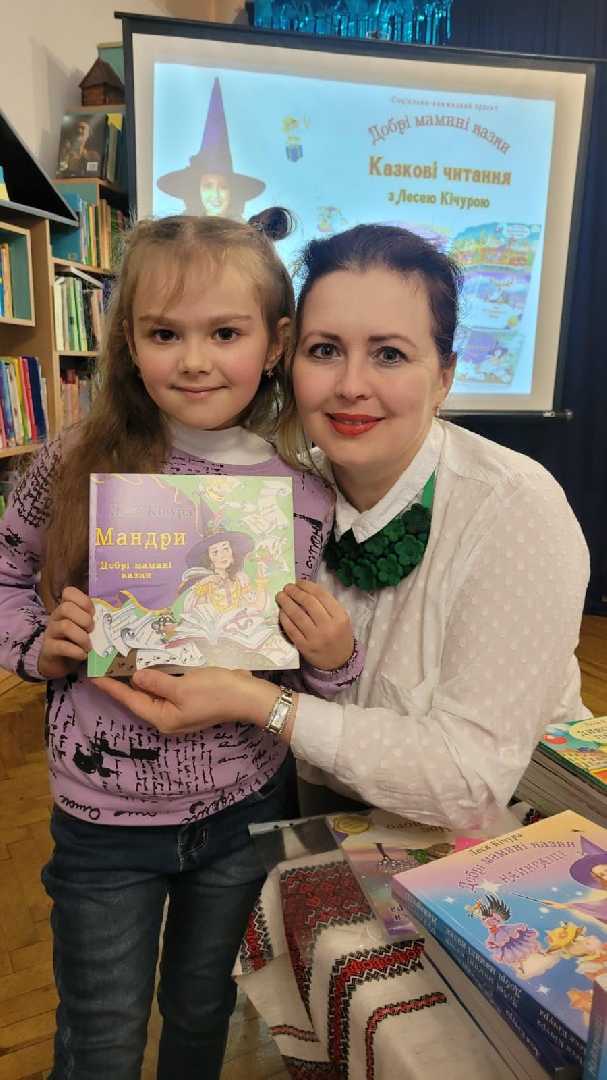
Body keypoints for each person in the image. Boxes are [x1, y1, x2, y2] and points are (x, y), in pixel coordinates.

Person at [0, 209, 362, 1080]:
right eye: (165, 333)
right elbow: (6, 578)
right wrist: (41, 647)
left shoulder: (305, 495)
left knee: (203, 1014)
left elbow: (298, 680)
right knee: (100, 1037)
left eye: (224, 333)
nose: (194, 359)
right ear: (128, 340)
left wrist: (332, 656)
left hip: (242, 810)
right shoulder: (76, 458)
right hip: (103, 821)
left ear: (275, 344)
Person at [98, 221, 590, 835]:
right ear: (288, 359)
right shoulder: (270, 497)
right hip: (320, 815)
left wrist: (261, 704)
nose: (351, 386)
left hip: (508, 833)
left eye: (390, 354)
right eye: (325, 350)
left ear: (444, 376)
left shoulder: (513, 508)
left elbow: (471, 782)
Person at [157, 77, 266, 219]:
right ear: (197, 189)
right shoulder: (181, 229)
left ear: (232, 191)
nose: (216, 195)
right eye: (208, 186)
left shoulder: (245, 231)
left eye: (223, 187)